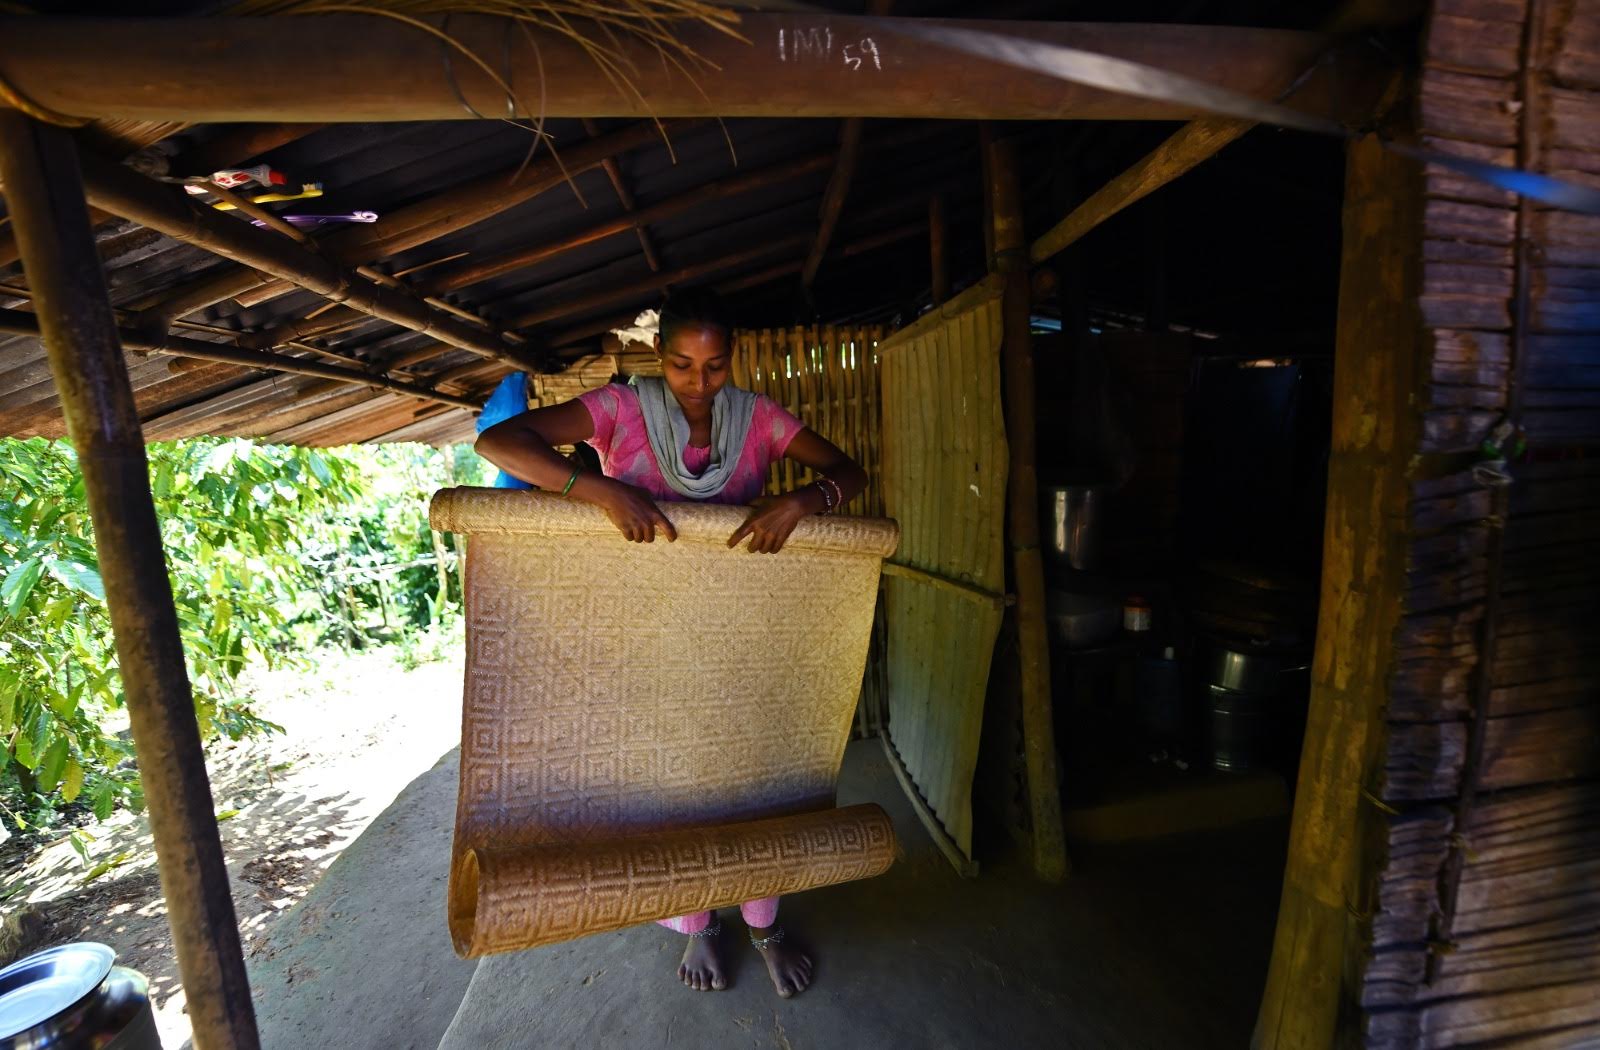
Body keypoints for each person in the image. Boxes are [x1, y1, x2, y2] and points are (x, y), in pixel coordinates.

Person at [475, 291, 869, 998]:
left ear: (732, 361)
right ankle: (699, 924)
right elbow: (499, 443)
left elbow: (849, 471)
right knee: (668, 785)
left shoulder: (761, 420)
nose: (698, 382)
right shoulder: (619, 410)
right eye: (684, 364)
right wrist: (594, 488)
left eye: (715, 366)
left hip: (737, 629)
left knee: (748, 777)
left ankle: (765, 923)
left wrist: (803, 501)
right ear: (662, 357)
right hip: (645, 631)